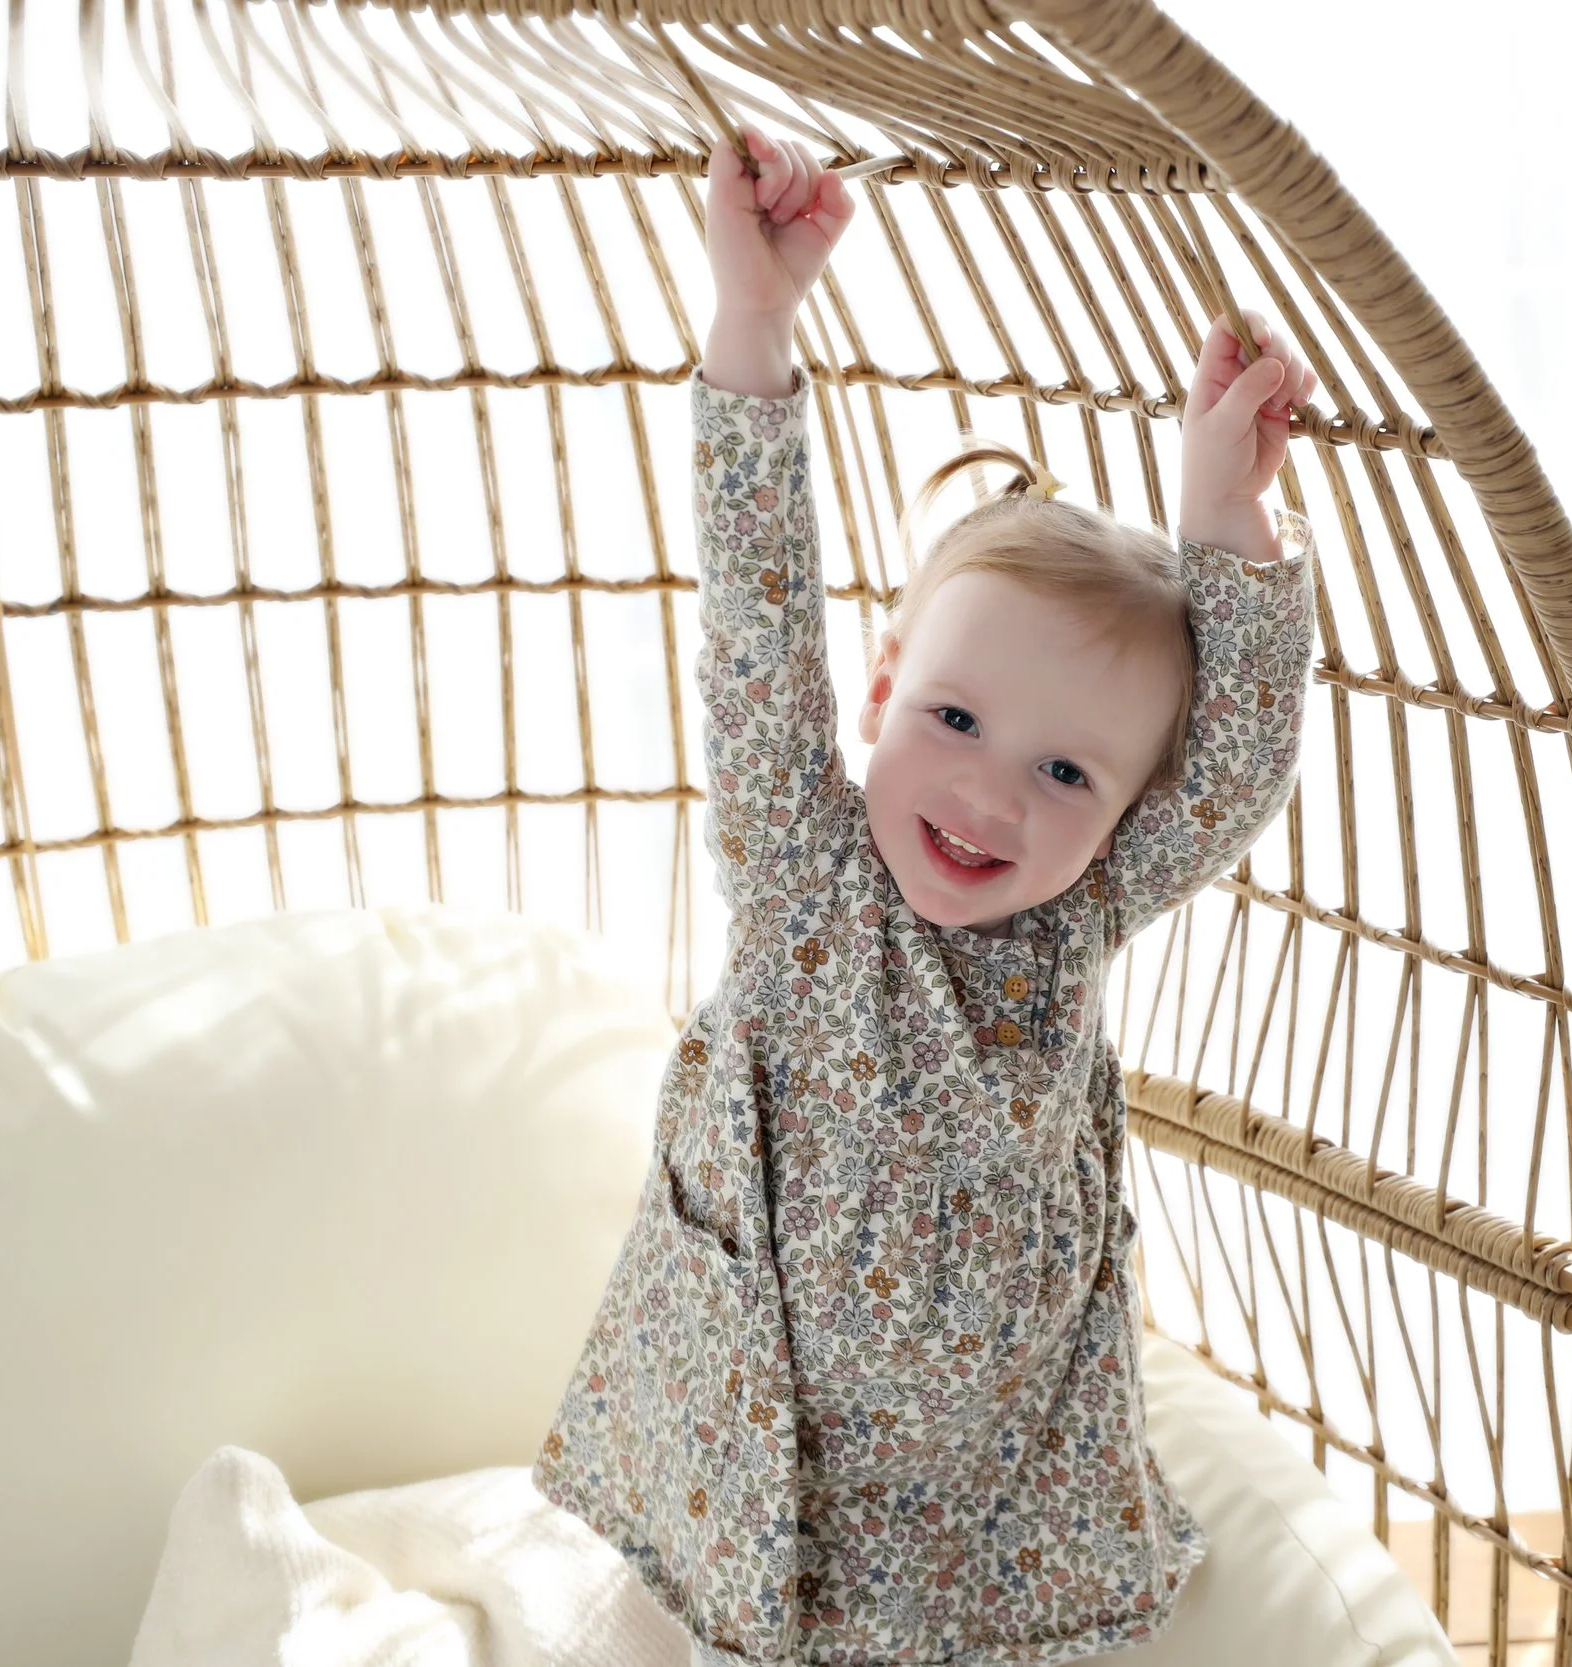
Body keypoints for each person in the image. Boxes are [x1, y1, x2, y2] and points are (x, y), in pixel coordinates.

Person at [533, 123, 1319, 1665]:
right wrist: (756, 326)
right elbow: (757, 611)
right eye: (954, 722)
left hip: (989, 1513)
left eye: (1067, 773)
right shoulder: (807, 868)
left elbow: (1230, 770)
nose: (989, 796)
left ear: (1123, 807)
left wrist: (1223, 521)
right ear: (884, 689)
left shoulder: (1073, 914)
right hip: (749, 1464)